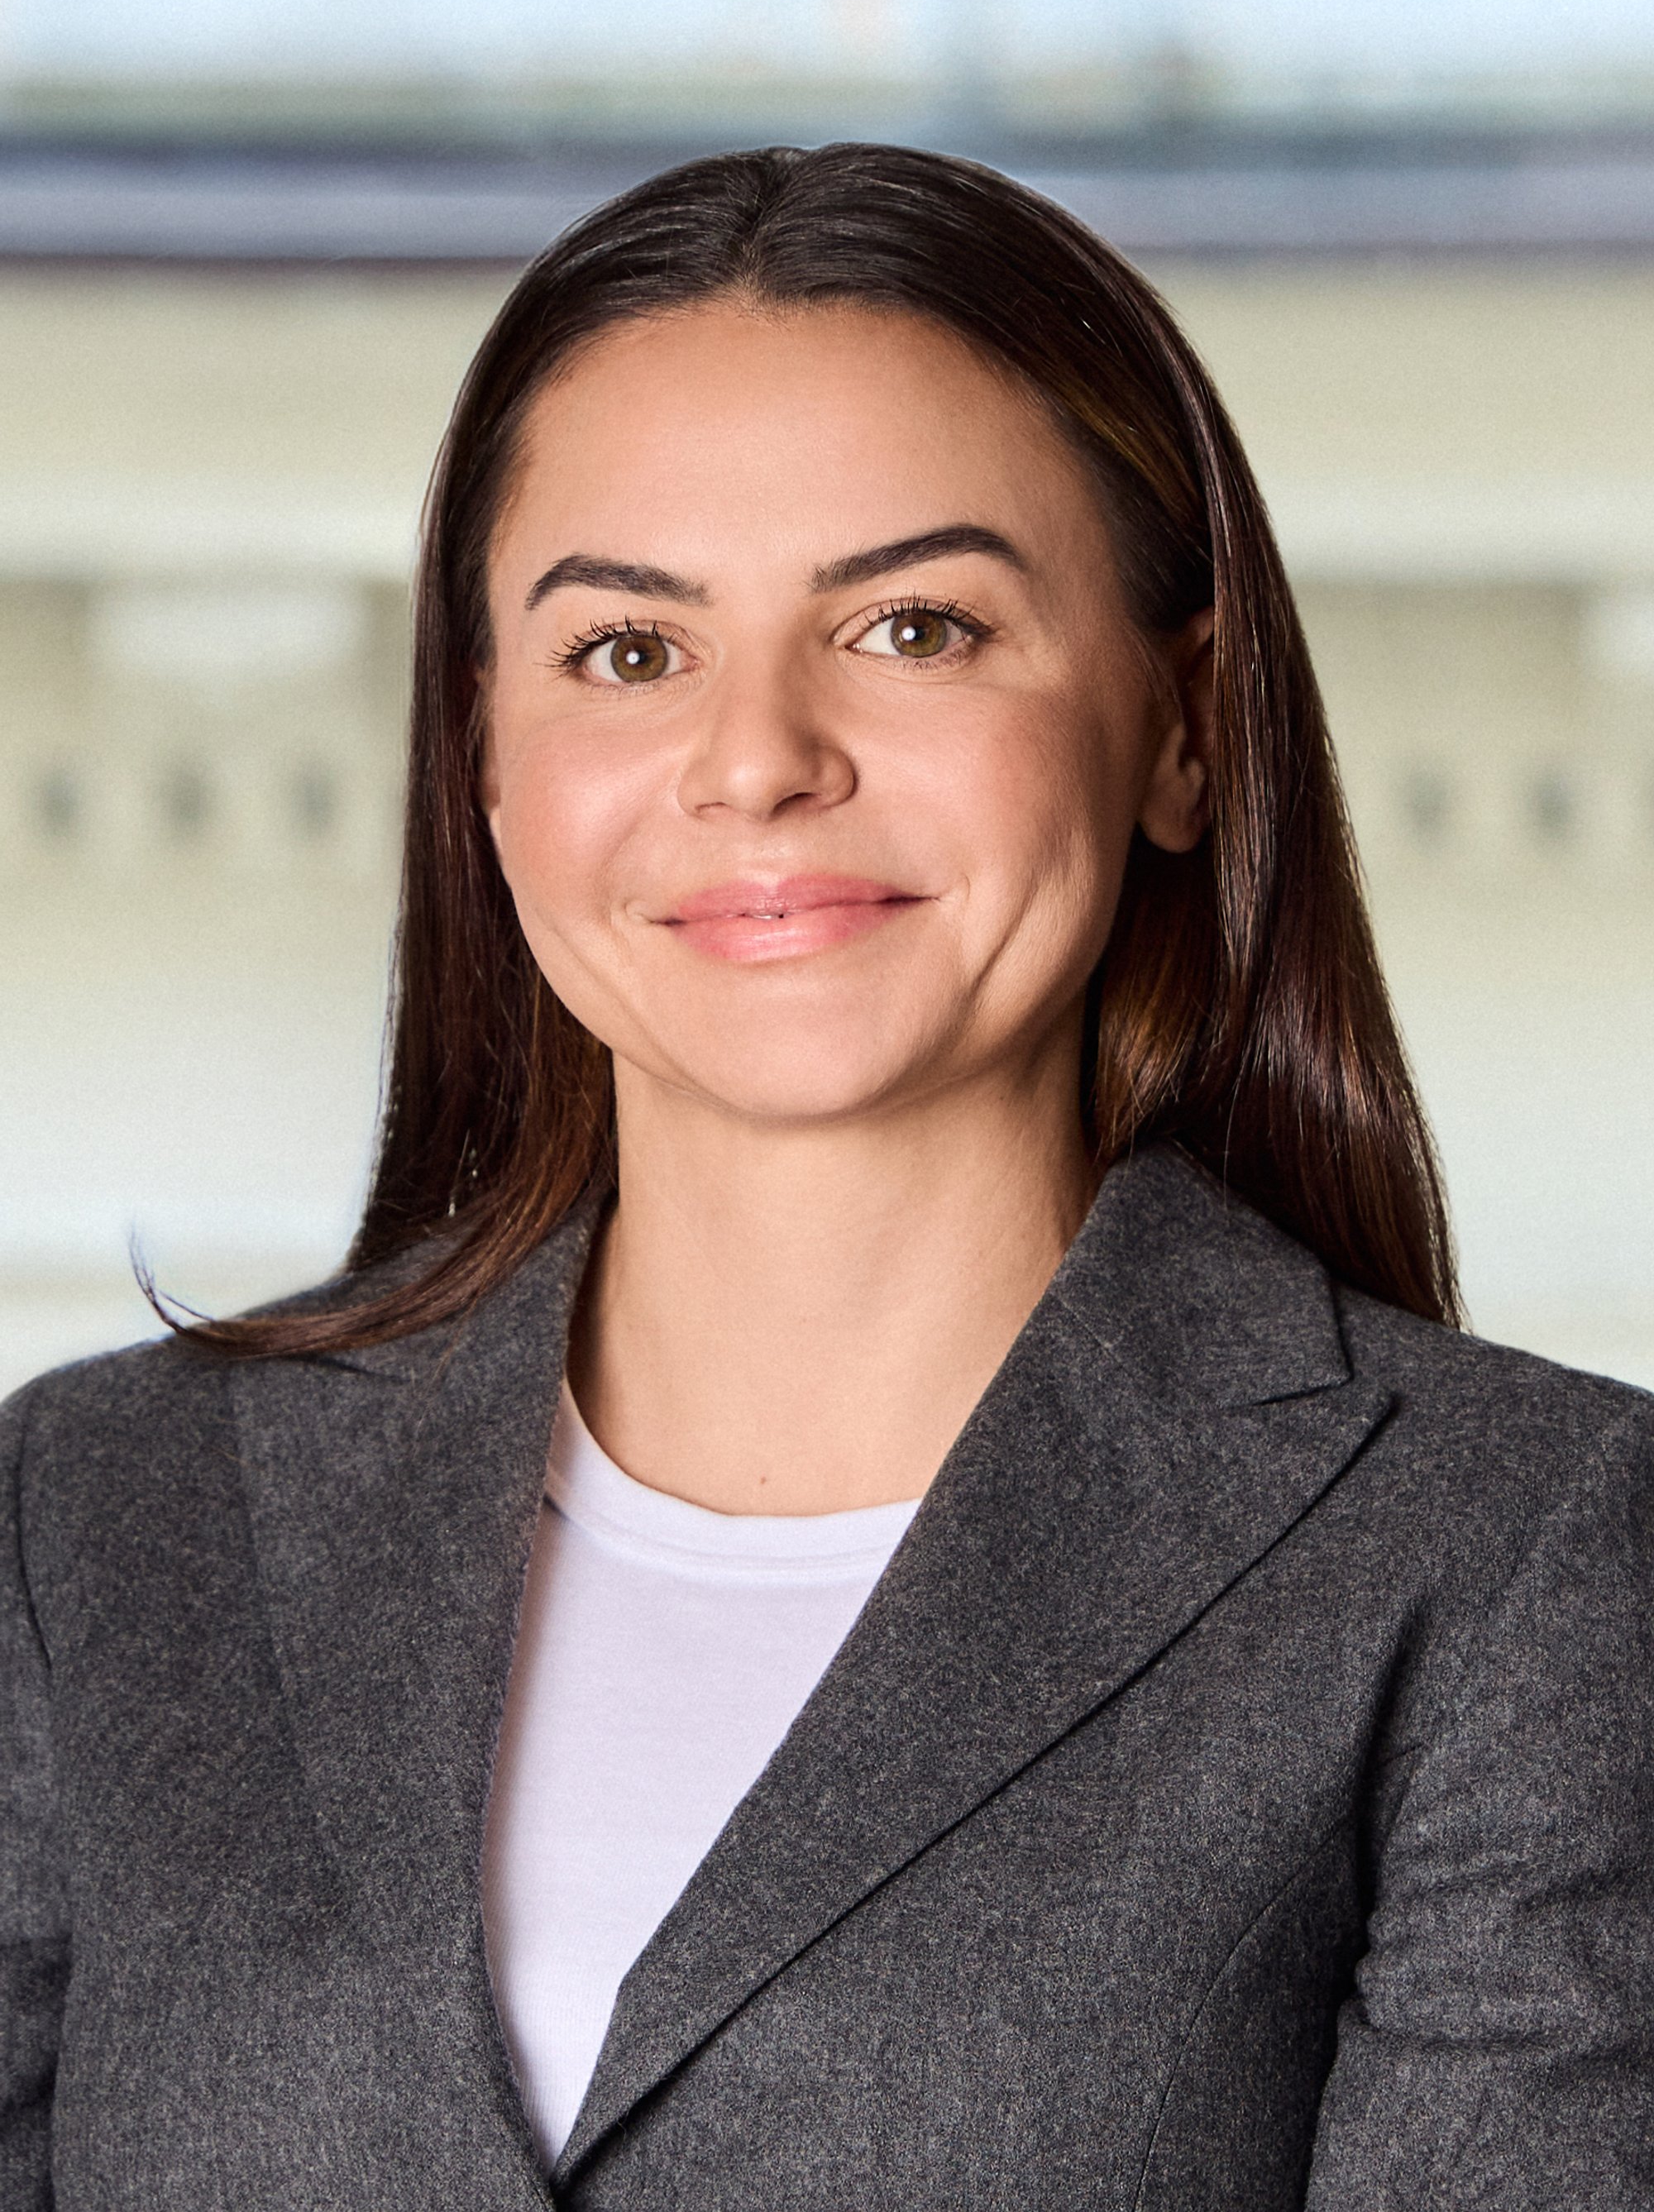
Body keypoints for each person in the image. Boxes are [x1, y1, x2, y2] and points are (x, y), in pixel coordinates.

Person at [2, 142, 1651, 2212]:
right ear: (483, 755)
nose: (758, 757)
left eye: (912, 624)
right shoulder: (96, 1519)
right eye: (628, 650)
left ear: (1183, 726)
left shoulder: (1519, 1557)